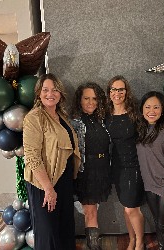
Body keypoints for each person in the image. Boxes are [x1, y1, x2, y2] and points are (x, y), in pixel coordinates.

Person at [23, 73, 81, 250]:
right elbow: (32, 156)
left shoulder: (60, 115)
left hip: (63, 180)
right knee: (48, 234)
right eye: (46, 90)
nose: (50, 94)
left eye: (55, 89)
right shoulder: (34, 118)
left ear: (61, 93)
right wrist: (48, 188)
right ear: (39, 93)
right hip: (43, 184)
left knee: (64, 230)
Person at [136, 91, 164, 250]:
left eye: (156, 107)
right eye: (147, 107)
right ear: (142, 109)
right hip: (149, 186)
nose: (151, 111)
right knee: (157, 223)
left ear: (162, 110)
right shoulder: (141, 130)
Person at [105, 75, 145, 250]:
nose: (117, 93)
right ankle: (131, 240)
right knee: (126, 208)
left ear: (126, 92)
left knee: (131, 208)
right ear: (109, 92)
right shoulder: (107, 115)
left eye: (121, 89)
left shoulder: (135, 114)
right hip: (117, 168)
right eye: (113, 89)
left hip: (133, 166)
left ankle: (140, 243)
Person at [70, 82, 111, 250]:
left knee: (94, 209)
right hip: (85, 171)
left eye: (94, 98)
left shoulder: (103, 120)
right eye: (86, 98)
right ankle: (94, 246)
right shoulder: (74, 122)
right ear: (79, 100)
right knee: (90, 211)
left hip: (103, 170)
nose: (90, 102)